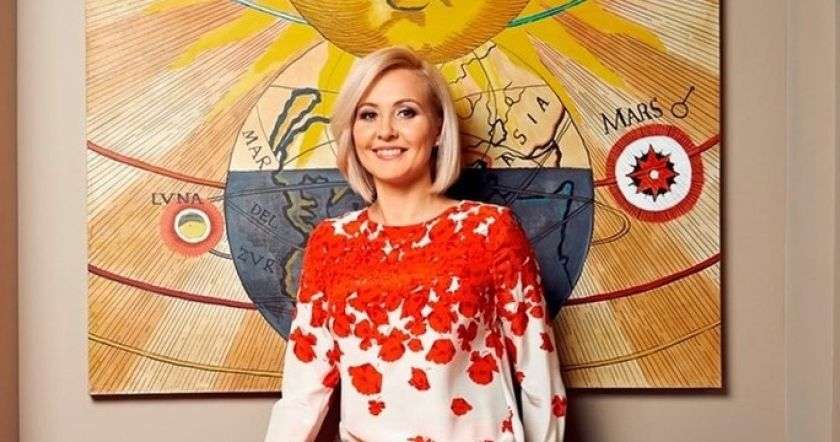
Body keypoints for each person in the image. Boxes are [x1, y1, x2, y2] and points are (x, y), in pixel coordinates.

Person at [265, 46, 567, 442]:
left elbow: (542, 383)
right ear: (352, 131)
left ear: (438, 129)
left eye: (406, 112)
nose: (385, 131)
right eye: (368, 115)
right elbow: (301, 396)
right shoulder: (331, 242)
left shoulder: (490, 230)